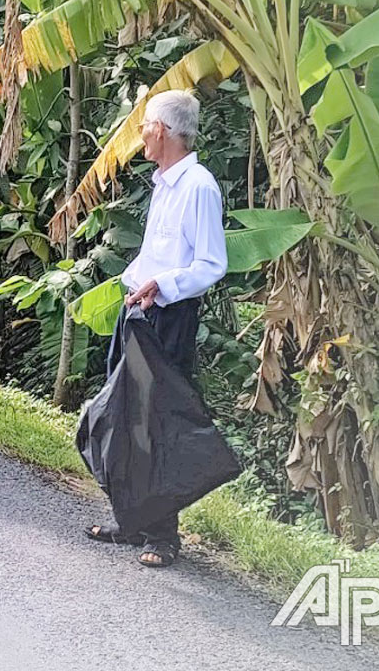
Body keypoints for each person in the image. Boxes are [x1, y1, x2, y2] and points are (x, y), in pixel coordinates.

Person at [83, 89, 226, 569]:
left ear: (161, 130)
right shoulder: (164, 182)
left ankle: (164, 535)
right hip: (139, 309)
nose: (140, 133)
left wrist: (163, 284)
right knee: (123, 412)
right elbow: (156, 253)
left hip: (170, 316)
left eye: (144, 124)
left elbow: (211, 264)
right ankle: (130, 516)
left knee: (157, 417)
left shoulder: (198, 186)